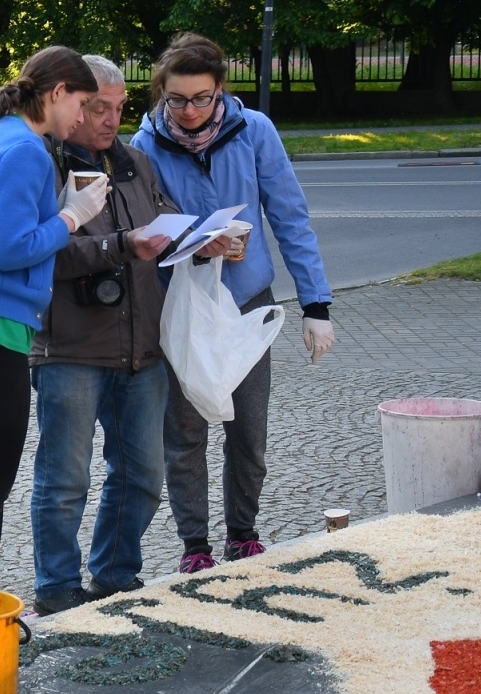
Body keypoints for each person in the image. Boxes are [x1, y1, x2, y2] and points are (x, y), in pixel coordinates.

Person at [131, 32, 335, 573]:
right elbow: (142, 234)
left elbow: (291, 217)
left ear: (221, 89)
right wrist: (192, 244)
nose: (190, 111)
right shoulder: (144, 146)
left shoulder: (255, 132)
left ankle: (243, 534)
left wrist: (316, 307)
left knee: (248, 429)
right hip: (183, 306)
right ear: (161, 95)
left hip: (247, 299)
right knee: (186, 430)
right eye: (177, 100)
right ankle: (194, 546)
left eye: (201, 98)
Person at [0, 46, 107, 589]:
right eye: (81, 104)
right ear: (57, 93)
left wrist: (57, 209)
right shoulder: (28, 149)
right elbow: (11, 248)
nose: (82, 118)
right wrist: (72, 216)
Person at [28, 56, 189, 615]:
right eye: (99, 108)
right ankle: (56, 588)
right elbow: (40, 252)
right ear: (72, 101)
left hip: (141, 348)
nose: (110, 120)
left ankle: (116, 575)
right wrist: (120, 245)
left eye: (121, 108)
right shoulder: (44, 165)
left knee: (143, 473)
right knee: (64, 479)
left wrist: (201, 240)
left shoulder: (135, 164)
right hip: (69, 348)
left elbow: (166, 222)